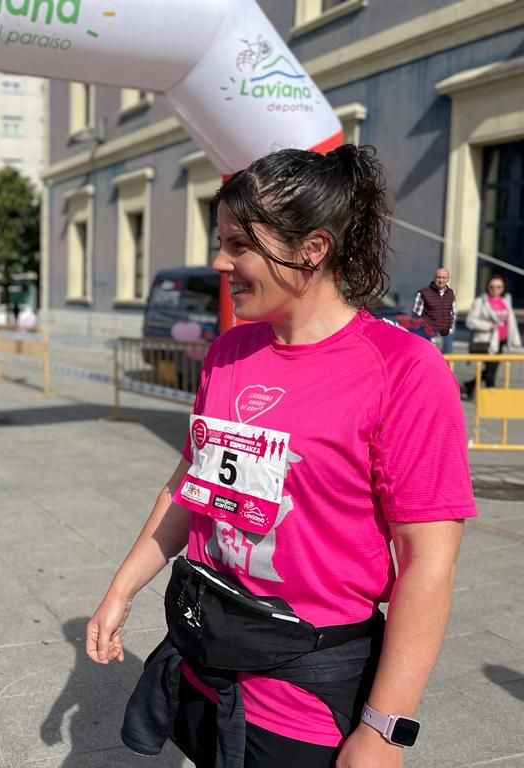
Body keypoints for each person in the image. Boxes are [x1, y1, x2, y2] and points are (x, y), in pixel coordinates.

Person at [87, 145, 475, 768]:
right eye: (222, 242)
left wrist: (381, 729)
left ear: (312, 250)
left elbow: (429, 559)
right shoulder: (228, 352)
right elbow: (193, 479)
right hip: (204, 666)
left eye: (239, 245)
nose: (220, 262)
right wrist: (122, 589)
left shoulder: (403, 369)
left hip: (305, 702)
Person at [462, 274, 522, 399]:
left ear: (503, 288)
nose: (495, 290)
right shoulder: (480, 302)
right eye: (492, 287)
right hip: (486, 341)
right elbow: (470, 321)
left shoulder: (505, 302)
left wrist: (515, 340)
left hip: (501, 341)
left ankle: (469, 385)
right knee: (491, 372)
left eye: (499, 287)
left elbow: (511, 323)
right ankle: (491, 397)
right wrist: (488, 326)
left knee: (491, 370)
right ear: (487, 287)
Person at [412, 267, 456, 354]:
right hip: (428, 334)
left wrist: (451, 330)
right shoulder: (423, 293)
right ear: (434, 278)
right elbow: (416, 316)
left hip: (446, 335)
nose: (441, 280)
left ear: (448, 279)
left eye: (444, 278)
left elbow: (452, 313)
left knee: (447, 362)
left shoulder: (451, 294)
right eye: (439, 277)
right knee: (429, 359)